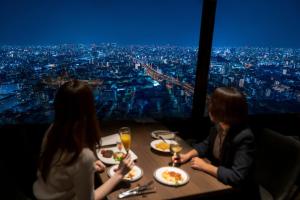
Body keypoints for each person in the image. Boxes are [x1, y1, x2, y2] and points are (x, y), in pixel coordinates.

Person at [33, 80, 133, 200]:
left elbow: (60, 169)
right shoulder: (83, 156)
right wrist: (120, 174)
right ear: (89, 110)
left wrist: (90, 166)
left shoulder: (53, 130)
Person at [173, 87, 260, 199]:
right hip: (219, 183)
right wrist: (187, 155)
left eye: (212, 104)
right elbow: (206, 144)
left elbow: (237, 177)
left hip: (237, 192)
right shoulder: (220, 125)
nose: (209, 107)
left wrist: (205, 166)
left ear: (223, 111)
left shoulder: (244, 137)